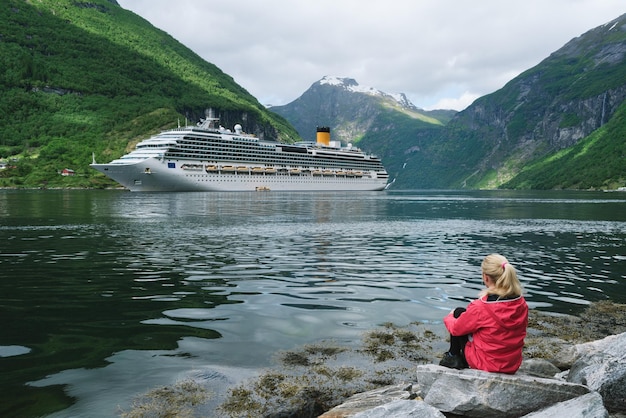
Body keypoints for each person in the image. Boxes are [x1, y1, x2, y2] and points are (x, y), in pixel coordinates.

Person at [440, 253, 528, 374]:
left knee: (458, 312)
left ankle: (452, 357)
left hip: (486, 364)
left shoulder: (481, 307)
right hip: (512, 364)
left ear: (485, 277)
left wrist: (450, 316)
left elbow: (456, 329)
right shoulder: (520, 302)